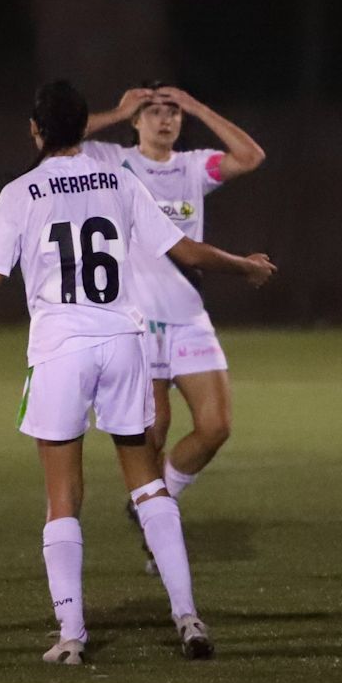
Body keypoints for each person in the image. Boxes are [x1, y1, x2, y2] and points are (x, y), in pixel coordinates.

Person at [0, 80, 276, 664]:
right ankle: (187, 617)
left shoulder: (20, 192)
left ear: (35, 130)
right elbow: (186, 251)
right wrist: (244, 266)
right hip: (125, 343)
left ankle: (73, 636)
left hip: (60, 351)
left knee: (63, 497)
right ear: (84, 129)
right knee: (148, 483)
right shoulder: (120, 180)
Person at [80, 84, 265, 561]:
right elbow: (55, 139)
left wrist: (199, 107)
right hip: (138, 320)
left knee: (215, 427)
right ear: (136, 121)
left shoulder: (191, 167)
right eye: (152, 112)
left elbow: (249, 156)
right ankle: (156, 530)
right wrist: (117, 109)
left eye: (171, 113)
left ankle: (156, 501)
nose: (164, 120)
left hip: (187, 317)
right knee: (153, 430)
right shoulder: (110, 160)